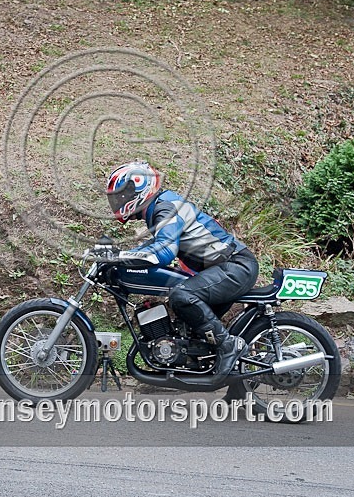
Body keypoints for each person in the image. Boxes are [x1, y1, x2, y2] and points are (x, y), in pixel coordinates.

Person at [105, 162, 259, 381]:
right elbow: (154, 244)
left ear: (139, 189)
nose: (119, 201)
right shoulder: (161, 206)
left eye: (123, 194)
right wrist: (121, 254)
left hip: (235, 266)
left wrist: (120, 258)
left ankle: (229, 346)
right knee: (189, 326)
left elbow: (164, 251)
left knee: (182, 295)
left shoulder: (165, 207)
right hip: (224, 267)